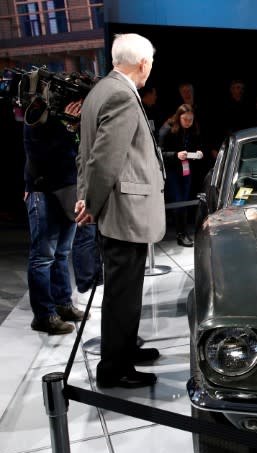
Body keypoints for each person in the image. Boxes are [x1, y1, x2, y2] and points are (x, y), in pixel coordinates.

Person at [75, 33, 164, 389]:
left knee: (125, 292)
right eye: (151, 64)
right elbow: (104, 160)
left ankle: (126, 350)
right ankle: (114, 369)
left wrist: (86, 197)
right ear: (143, 63)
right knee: (121, 296)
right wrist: (91, 204)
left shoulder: (101, 89)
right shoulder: (121, 95)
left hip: (120, 210)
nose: (150, 69)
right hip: (125, 212)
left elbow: (87, 154)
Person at [23, 99, 87, 334]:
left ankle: (63, 304)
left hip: (68, 188)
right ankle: (43, 315)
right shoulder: (37, 112)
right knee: (43, 256)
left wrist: (74, 126)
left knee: (61, 253)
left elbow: (78, 150)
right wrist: (67, 125)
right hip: (44, 191)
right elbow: (39, 152)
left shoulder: (69, 118)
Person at [160, 104, 204, 247]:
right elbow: (159, 153)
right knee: (179, 200)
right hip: (172, 170)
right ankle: (181, 234)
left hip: (186, 169)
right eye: (185, 119)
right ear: (179, 117)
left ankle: (184, 232)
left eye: (190, 120)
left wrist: (198, 152)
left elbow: (195, 145)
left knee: (184, 200)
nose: (188, 123)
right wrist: (175, 155)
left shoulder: (192, 129)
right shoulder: (167, 129)